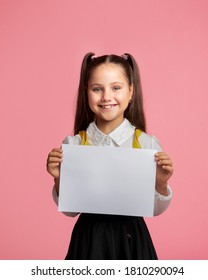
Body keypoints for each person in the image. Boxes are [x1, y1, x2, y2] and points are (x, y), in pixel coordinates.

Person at [46, 52, 173, 260]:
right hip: (90, 240)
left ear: (131, 91)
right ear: (86, 92)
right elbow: (70, 211)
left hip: (132, 241)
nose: (106, 97)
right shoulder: (75, 144)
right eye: (97, 89)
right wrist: (59, 177)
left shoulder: (147, 144)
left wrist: (161, 183)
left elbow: (155, 210)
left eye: (116, 88)